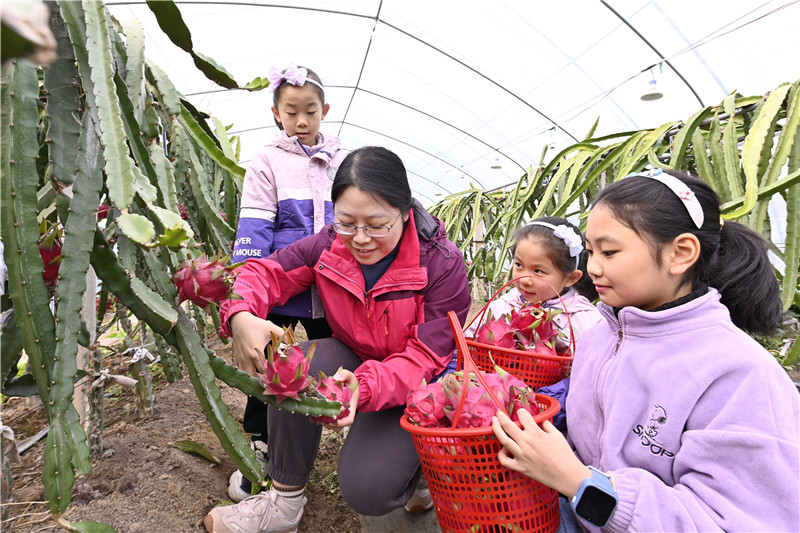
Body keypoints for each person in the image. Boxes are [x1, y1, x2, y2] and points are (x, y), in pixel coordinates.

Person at [492, 169, 800, 532]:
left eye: (609, 251)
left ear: (680, 253)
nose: (593, 268)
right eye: (590, 252)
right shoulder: (600, 336)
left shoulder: (739, 374)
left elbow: (736, 521)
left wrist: (578, 482)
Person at [205, 146, 472, 533]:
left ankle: (418, 475)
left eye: (377, 224)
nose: (360, 239)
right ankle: (283, 504)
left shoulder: (441, 264)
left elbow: (425, 358)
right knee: (296, 365)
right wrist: (240, 314)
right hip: (355, 356)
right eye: (347, 222)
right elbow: (264, 273)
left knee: (369, 491)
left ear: (405, 211)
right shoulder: (328, 244)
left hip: (419, 383)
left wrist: (360, 388)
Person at [227, 64, 348, 501]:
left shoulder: (343, 159)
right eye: (291, 111)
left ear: (325, 111)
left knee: (339, 358)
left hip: (333, 290)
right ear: (276, 112)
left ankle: (345, 431)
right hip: (283, 286)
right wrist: (248, 294)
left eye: (310, 111)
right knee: (268, 365)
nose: (301, 120)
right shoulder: (267, 161)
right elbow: (255, 224)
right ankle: (260, 442)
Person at [464, 216, 601, 346]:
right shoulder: (499, 309)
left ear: (570, 278)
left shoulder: (589, 323)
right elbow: (467, 345)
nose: (524, 280)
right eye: (519, 265)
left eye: (538, 271)